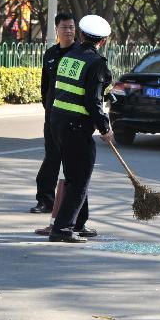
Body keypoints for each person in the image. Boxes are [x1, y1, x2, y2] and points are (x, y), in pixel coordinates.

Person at [47, 14, 114, 243]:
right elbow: (92, 101)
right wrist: (105, 128)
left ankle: (79, 222)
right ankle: (62, 229)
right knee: (79, 180)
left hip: (58, 123)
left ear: (82, 35)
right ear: (102, 41)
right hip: (76, 127)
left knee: (75, 174)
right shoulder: (96, 63)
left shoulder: (67, 57)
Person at [32, 13, 77, 221]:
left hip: (74, 116)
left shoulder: (80, 55)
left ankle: (71, 204)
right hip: (53, 115)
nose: (68, 30)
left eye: (71, 27)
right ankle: (45, 200)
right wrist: (48, 107)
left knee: (73, 162)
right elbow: (45, 85)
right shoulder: (50, 54)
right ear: (56, 29)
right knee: (51, 158)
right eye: (64, 27)